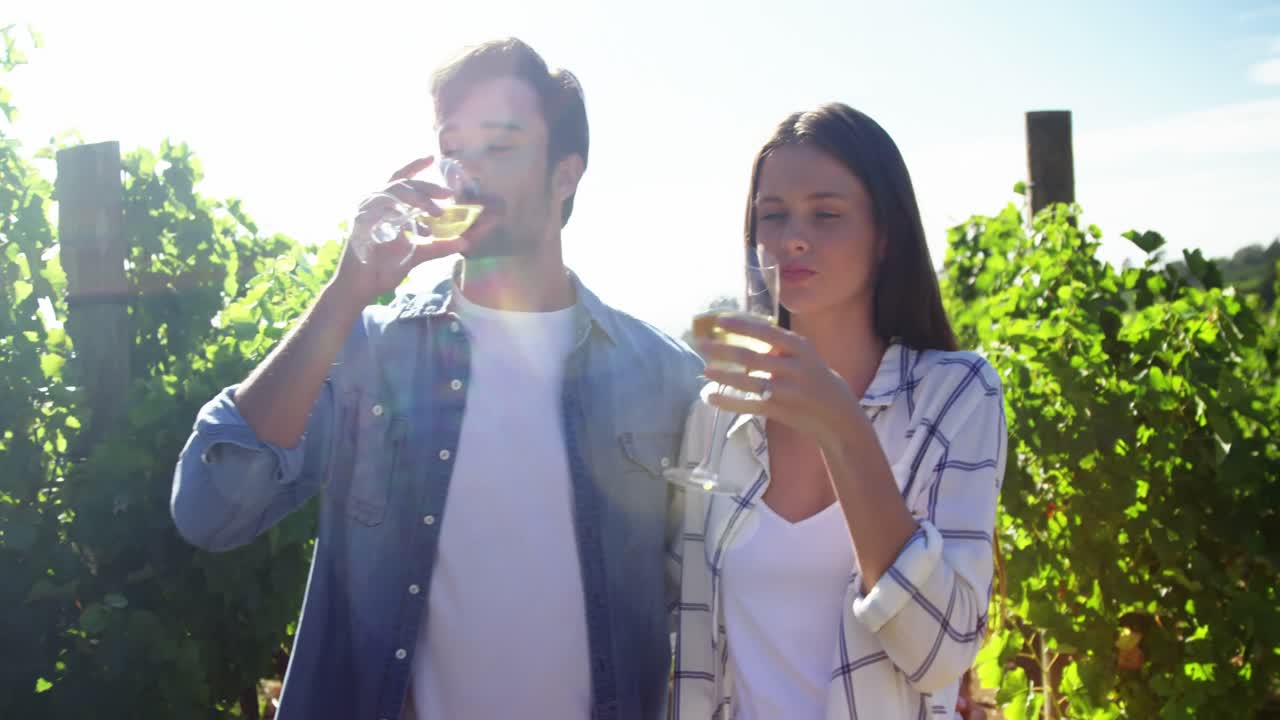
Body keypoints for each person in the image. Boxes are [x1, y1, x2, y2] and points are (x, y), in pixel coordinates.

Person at [171, 38, 701, 720]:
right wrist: (345, 291)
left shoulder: (664, 378)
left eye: (500, 147)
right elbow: (211, 513)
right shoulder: (370, 351)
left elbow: (717, 604)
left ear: (564, 174)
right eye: (454, 148)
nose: (468, 173)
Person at [668, 103, 1007, 719]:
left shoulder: (955, 394)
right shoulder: (716, 417)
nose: (793, 237)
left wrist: (840, 425)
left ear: (885, 236)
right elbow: (691, 658)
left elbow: (943, 652)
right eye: (773, 216)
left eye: (826, 214)